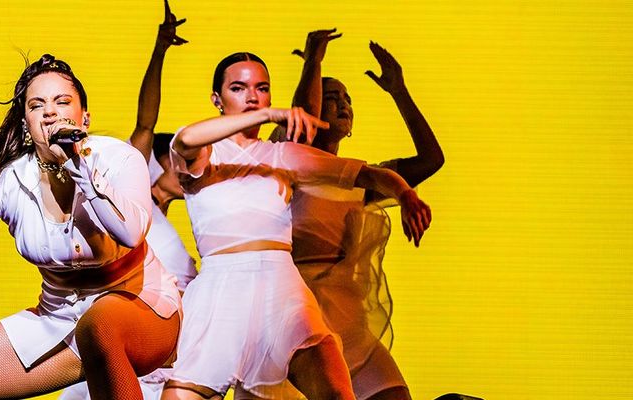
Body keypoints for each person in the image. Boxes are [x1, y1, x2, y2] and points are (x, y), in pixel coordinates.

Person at [161, 49, 432, 400]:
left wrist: (405, 193)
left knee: (336, 390)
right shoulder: (205, 153)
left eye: (262, 88)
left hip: (280, 285)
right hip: (222, 287)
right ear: (217, 98)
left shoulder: (283, 156)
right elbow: (185, 140)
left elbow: (367, 174)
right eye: (239, 88)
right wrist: (271, 115)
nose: (253, 97)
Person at [0, 54, 182, 400]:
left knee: (98, 325)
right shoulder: (8, 178)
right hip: (58, 319)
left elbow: (130, 232)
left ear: (85, 115)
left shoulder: (118, 158)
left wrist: (79, 166)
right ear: (27, 124)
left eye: (62, 102)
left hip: (142, 306)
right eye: (37, 105)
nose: (50, 112)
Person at [270, 35, 444, 400]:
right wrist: (313, 62)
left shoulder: (360, 181)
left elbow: (430, 160)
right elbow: (302, 131)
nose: (340, 103)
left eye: (346, 98)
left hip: (349, 324)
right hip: (297, 321)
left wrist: (399, 90)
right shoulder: (288, 165)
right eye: (329, 96)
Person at [60, 2, 194, 398]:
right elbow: (146, 123)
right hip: (126, 342)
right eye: (178, 161)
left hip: (168, 351)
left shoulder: (189, 229)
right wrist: (160, 49)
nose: (185, 170)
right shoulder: (133, 205)